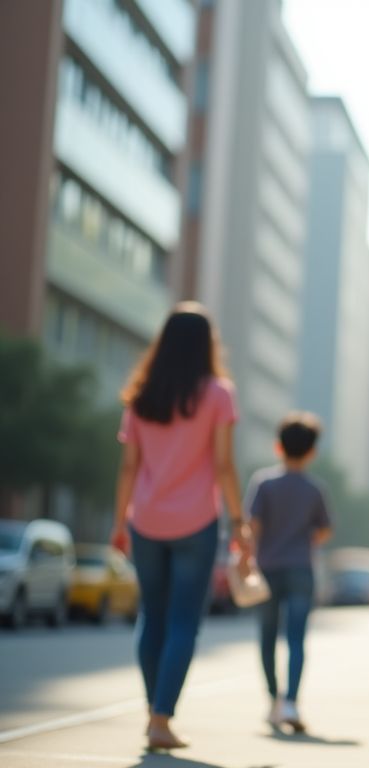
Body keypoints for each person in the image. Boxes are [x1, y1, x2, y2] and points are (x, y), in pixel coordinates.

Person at [112, 302, 252, 751]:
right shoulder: (218, 393)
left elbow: (129, 468)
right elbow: (224, 464)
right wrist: (239, 521)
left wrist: (120, 523)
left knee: (151, 617)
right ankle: (161, 719)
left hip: (145, 521)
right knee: (182, 623)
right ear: (206, 345)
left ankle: (155, 713)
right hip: (197, 523)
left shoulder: (141, 395)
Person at [244, 411, 332, 733]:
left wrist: (247, 559)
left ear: (277, 447)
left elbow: (252, 527)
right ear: (311, 452)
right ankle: (292, 702)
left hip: (267, 569)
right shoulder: (314, 489)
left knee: (267, 638)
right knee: (296, 639)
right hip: (300, 570)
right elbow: (324, 531)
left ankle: (273, 701)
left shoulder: (263, 482)